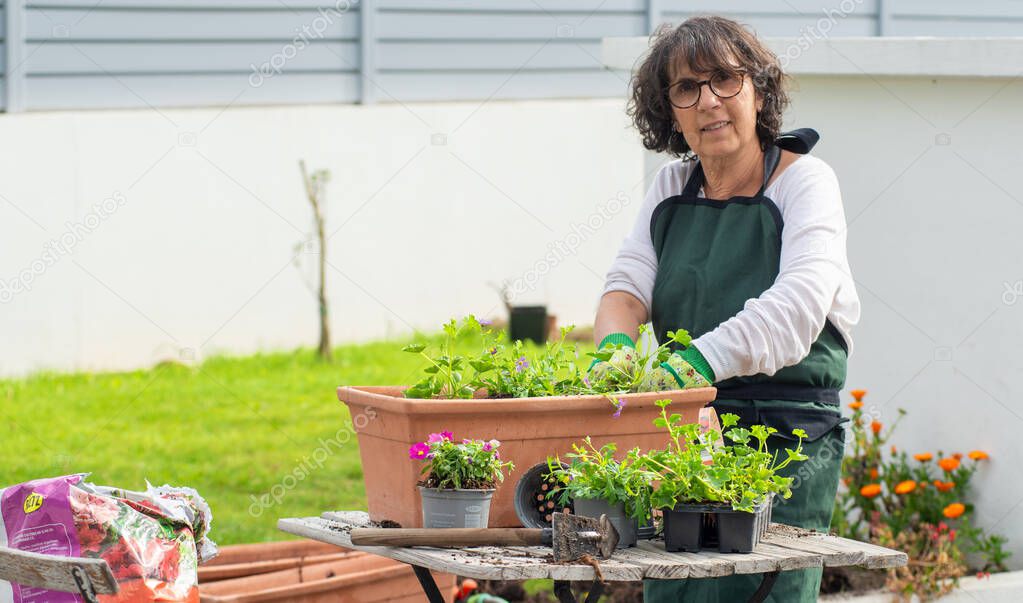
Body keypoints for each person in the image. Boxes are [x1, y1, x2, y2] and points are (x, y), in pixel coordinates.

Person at [591, 15, 861, 602]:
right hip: (684, 433)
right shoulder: (671, 188)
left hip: (785, 442)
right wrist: (614, 347)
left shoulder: (804, 182)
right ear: (670, 111)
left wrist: (696, 361)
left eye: (724, 80)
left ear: (758, 90)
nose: (708, 101)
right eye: (687, 88)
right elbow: (626, 287)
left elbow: (798, 307)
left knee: (765, 585)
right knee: (677, 584)